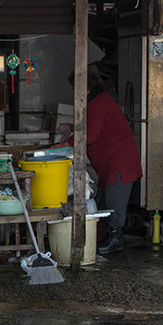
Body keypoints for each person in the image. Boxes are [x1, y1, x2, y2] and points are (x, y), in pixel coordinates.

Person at [65, 65, 142, 255]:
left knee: (115, 202)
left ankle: (116, 239)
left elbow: (89, 135)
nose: (74, 92)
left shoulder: (99, 103)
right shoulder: (97, 102)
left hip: (119, 161)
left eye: (76, 88)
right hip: (112, 160)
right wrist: (71, 128)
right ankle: (109, 236)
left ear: (85, 88)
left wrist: (67, 143)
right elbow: (89, 128)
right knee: (106, 200)